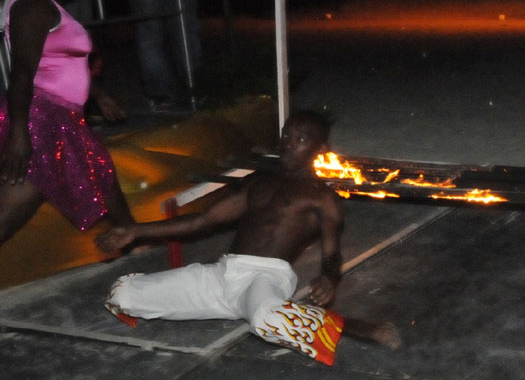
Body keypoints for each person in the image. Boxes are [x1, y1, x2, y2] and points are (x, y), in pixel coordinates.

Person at [95, 111, 401, 365]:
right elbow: (204, 220)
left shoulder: (323, 198)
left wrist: (330, 279)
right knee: (122, 293)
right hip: (222, 275)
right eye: (285, 137)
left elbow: (332, 252)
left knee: (265, 318)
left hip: (266, 278)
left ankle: (355, 327)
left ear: (320, 150)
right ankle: (259, 309)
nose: (288, 145)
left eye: (300, 139)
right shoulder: (260, 185)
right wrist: (135, 230)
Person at [0, 0, 134, 249]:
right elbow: (21, 75)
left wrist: (98, 94)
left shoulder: (47, 6)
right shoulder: (33, 8)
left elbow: (64, 60)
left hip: (62, 119)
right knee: (6, 219)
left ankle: (137, 244)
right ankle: (137, 243)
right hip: (41, 122)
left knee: (102, 175)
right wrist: (18, 135)